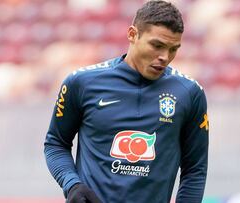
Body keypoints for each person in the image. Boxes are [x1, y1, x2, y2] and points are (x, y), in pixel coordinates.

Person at [44, 1, 209, 202]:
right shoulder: (81, 83)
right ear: (132, 34)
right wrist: (72, 185)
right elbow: (56, 143)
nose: (164, 57)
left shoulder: (189, 93)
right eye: (157, 45)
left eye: (173, 49)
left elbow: (195, 169)